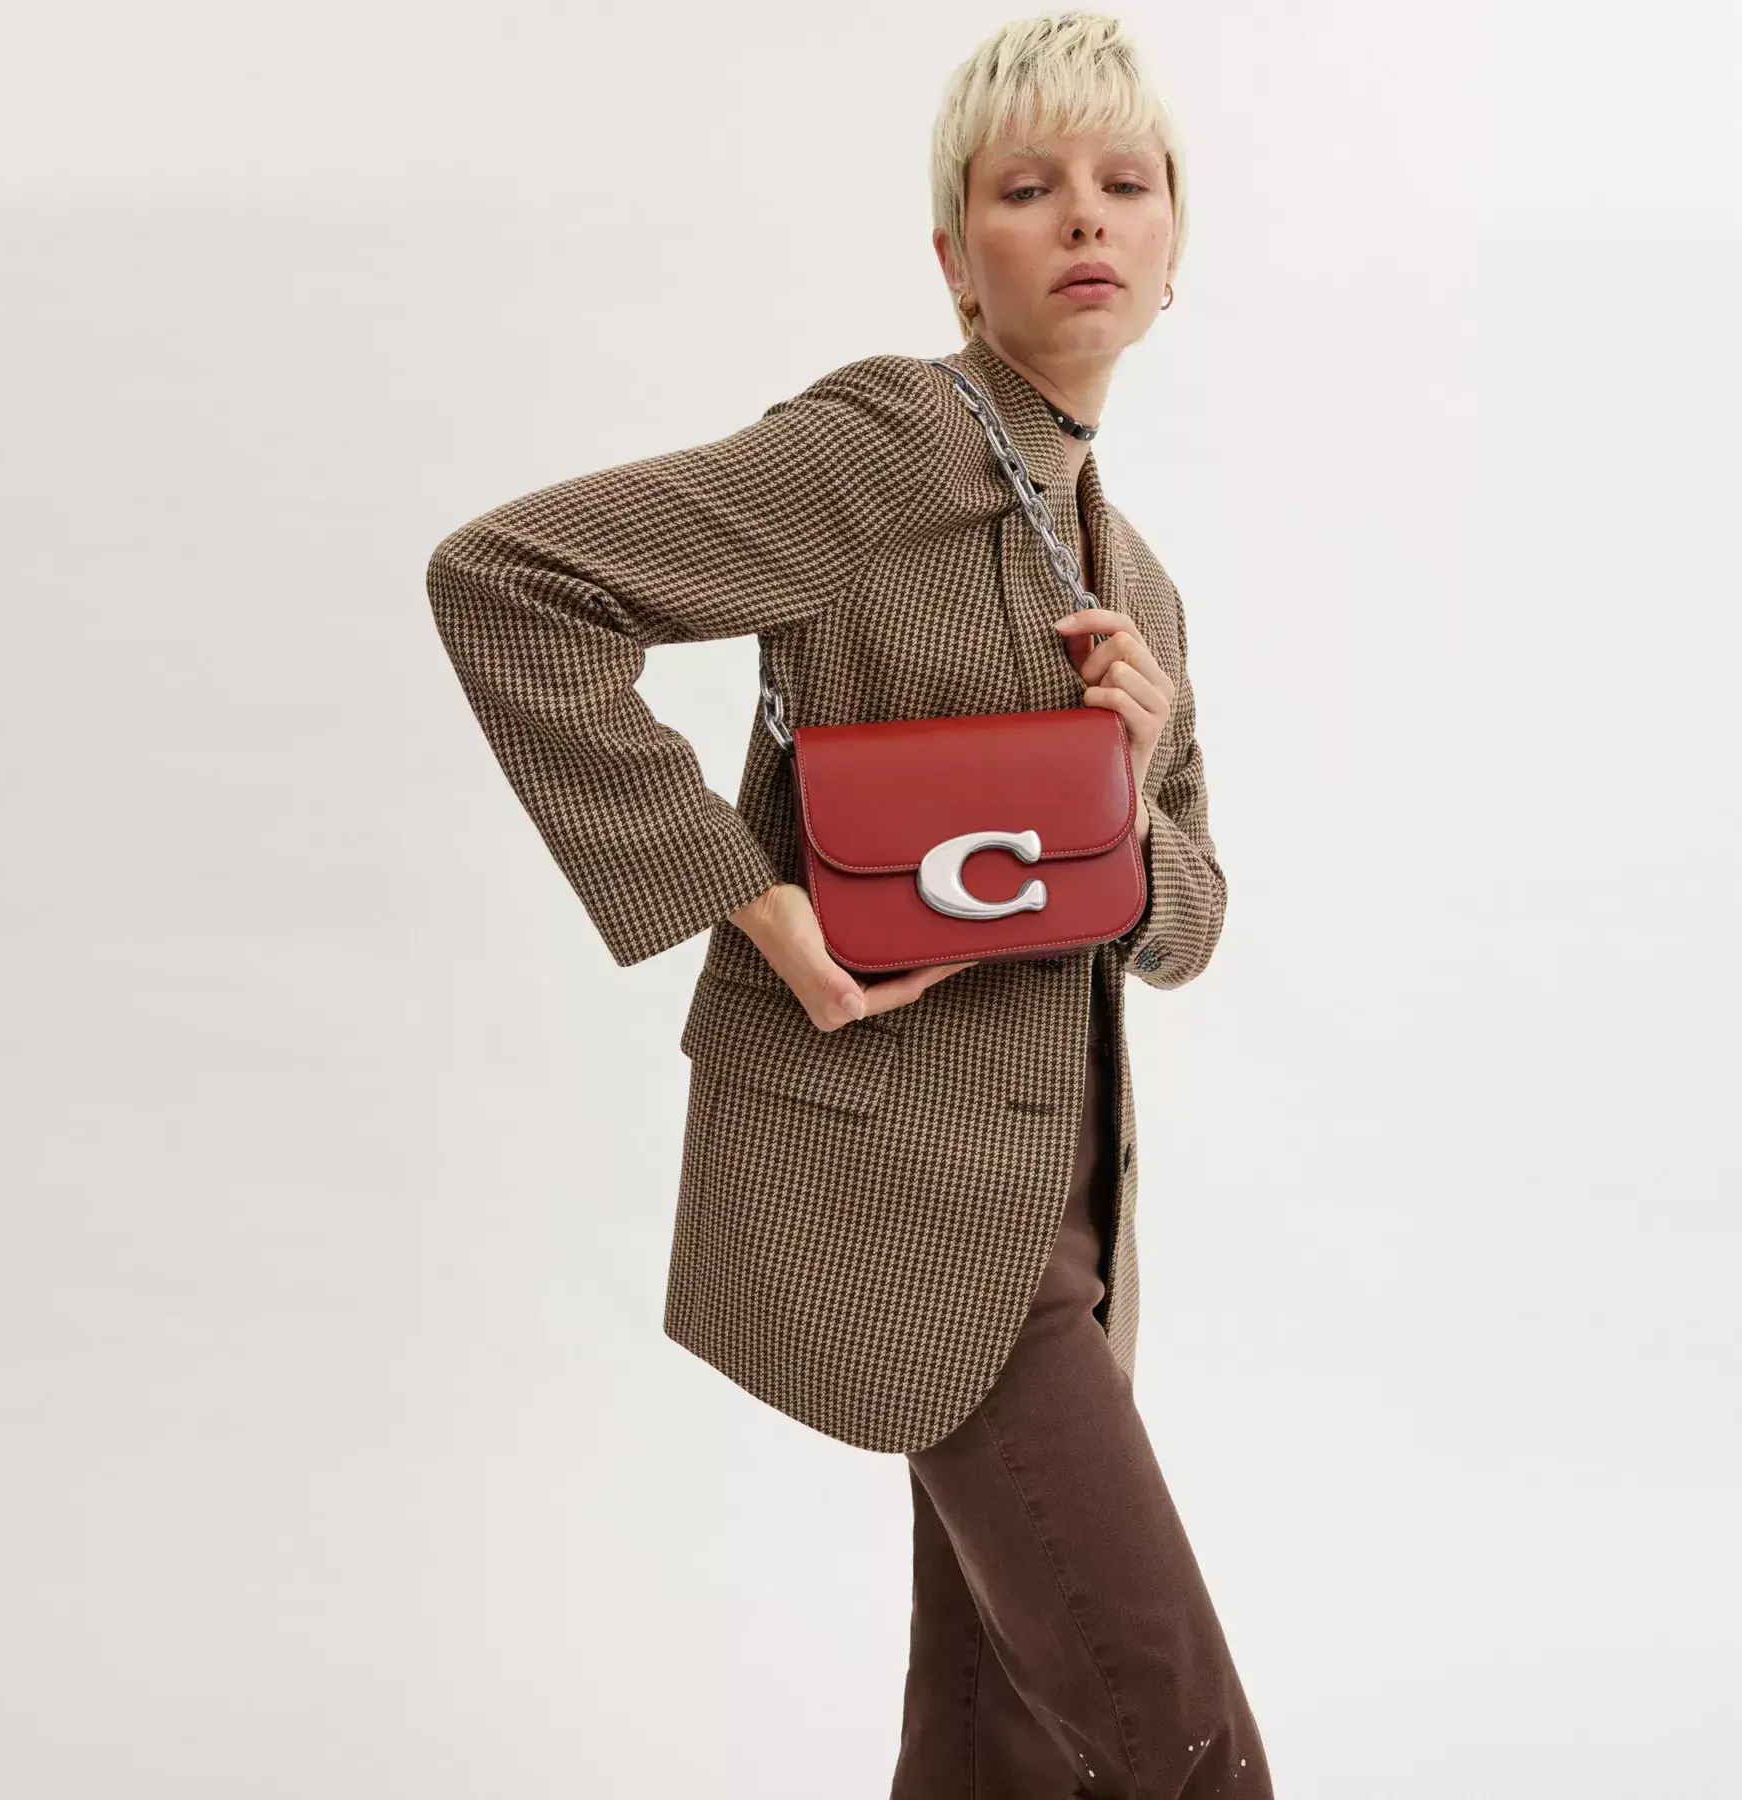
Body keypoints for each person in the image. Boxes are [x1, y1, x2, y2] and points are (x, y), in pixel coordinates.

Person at [425, 11, 1273, 1795]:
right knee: (1180, 1738)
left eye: (1126, 183)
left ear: (1176, 246)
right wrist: (750, 896)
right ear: (957, 258)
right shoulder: (889, 448)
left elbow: (1190, 922)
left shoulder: (1141, 582)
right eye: (1027, 189)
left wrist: (1132, 777)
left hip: (1071, 1221)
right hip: (909, 1190)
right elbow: (510, 582)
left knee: (995, 1742)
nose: (1085, 216)